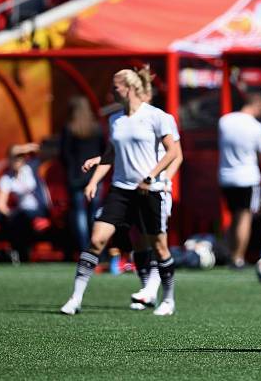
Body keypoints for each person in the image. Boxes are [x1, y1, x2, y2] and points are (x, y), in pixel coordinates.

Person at [60, 66, 179, 316]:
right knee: (96, 240)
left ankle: (167, 299)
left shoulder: (157, 117)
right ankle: (75, 298)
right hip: (120, 190)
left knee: (159, 247)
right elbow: (113, 153)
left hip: (150, 190)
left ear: (129, 88)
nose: (112, 92)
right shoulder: (115, 120)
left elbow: (173, 153)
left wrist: (152, 176)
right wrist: (94, 179)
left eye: (115, 87)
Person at [81, 103, 183, 311]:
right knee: (138, 240)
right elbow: (128, 152)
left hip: (156, 188)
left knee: (155, 241)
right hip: (134, 189)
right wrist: (101, 160)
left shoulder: (161, 117)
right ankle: (147, 290)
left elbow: (176, 155)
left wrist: (165, 181)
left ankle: (155, 291)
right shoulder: (123, 119)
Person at [0, 143, 48, 264]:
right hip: (20, 213)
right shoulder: (7, 177)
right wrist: (10, 214)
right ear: (9, 159)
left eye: (19, 156)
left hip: (38, 210)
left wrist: (24, 149)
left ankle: (20, 253)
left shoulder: (31, 167)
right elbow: (0, 204)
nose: (17, 160)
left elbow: (45, 152)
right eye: (13, 157)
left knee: (22, 215)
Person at [218, 93, 261, 268]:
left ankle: (231, 254)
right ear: (258, 106)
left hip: (226, 176)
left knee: (233, 216)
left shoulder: (224, 121)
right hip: (247, 177)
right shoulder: (257, 127)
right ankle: (238, 257)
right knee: (244, 217)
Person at [60, 96, 106, 252]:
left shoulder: (69, 128)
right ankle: (96, 246)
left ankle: (83, 247)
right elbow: (104, 151)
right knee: (95, 212)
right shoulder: (96, 128)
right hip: (95, 176)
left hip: (76, 176)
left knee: (79, 212)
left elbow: (64, 154)